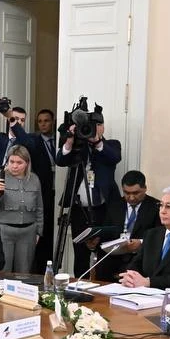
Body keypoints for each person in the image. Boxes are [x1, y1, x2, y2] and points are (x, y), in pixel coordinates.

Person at [57, 116, 121, 277]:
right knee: (80, 255)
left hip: (103, 209)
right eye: (91, 125)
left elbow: (114, 157)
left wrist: (96, 142)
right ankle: (80, 285)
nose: (94, 128)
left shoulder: (112, 144)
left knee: (104, 253)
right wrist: (69, 142)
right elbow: (60, 160)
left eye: (98, 124)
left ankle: (101, 286)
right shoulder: (78, 147)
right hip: (79, 210)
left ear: (103, 127)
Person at [0, 145, 43, 274]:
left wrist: (38, 231)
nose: (15, 166)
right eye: (12, 162)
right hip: (3, 231)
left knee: (24, 272)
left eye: (19, 163)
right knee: (3, 270)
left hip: (28, 232)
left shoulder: (34, 179)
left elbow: (39, 208)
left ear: (27, 163)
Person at [90, 170, 160, 283]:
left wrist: (141, 243)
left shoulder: (156, 207)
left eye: (136, 193)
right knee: (102, 266)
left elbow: (159, 237)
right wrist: (94, 243)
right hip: (115, 255)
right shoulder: (114, 205)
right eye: (127, 193)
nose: (131, 197)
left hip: (140, 256)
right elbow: (106, 234)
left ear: (145, 188)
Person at [22, 108, 59, 268]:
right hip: (43, 190)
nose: (43, 124)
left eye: (47, 121)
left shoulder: (60, 140)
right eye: (40, 121)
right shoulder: (33, 140)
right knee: (43, 231)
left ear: (53, 122)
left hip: (59, 190)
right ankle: (41, 266)